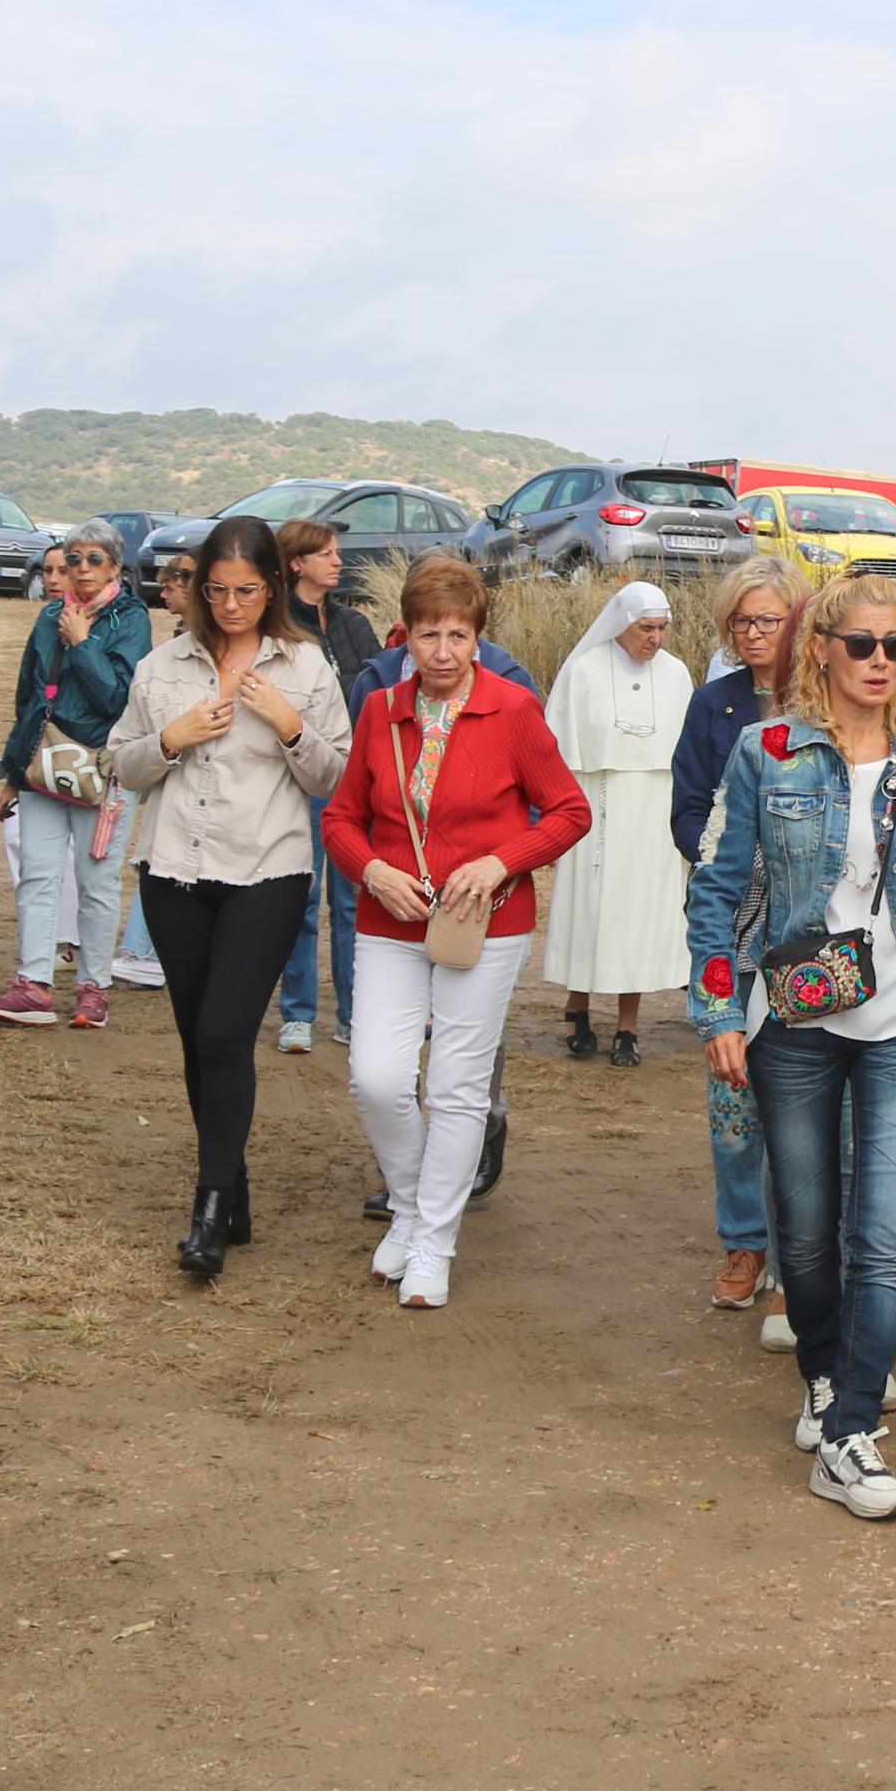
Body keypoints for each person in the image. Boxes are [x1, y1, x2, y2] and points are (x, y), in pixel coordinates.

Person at [686, 574, 896, 1520]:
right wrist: (718, 1015)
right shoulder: (765, 750)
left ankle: (853, 1431)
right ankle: (823, 1379)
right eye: (860, 644)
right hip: (796, 1016)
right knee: (807, 1232)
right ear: (820, 646)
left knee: (884, 1235)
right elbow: (717, 890)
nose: (879, 662)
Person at [328, 555, 588, 1309]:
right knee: (376, 1075)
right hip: (390, 916)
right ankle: (410, 1207)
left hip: (486, 921)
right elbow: (341, 816)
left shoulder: (511, 710)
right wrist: (371, 870)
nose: (442, 651)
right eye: (428, 635)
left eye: (458, 635)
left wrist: (502, 861)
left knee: (457, 1085)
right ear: (403, 636)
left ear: (479, 637)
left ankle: (433, 1242)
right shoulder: (380, 710)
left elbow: (570, 810)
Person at [111, 519, 352, 1279]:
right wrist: (170, 739)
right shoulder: (160, 666)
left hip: (268, 870)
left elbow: (337, 776)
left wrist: (288, 727)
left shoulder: (308, 666)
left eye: (246, 590)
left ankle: (209, 1204)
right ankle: (234, 1183)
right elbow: (123, 766)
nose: (230, 604)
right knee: (197, 1039)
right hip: (174, 867)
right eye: (215, 590)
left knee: (223, 1032)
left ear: (273, 586)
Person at [678, 566, 801, 1319]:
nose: (755, 635)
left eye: (770, 620)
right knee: (732, 1094)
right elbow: (686, 806)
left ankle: (799, 1254)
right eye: (742, 624)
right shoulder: (713, 704)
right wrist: (732, 856)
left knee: (808, 1093)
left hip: (807, 930)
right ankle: (744, 1239)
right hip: (731, 921)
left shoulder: (824, 698)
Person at [0, 528, 148, 1029]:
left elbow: (117, 700)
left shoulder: (131, 620)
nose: (82, 567)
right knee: (37, 873)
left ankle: (94, 988)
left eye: (95, 559)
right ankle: (33, 983)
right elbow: (28, 699)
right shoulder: (50, 615)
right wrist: (13, 773)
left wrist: (83, 644)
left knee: (96, 880)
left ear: (116, 567)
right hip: (43, 765)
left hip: (102, 770)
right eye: (73, 558)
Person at [543, 579, 692, 1064]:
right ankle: (577, 1005)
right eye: (645, 628)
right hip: (597, 803)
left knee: (640, 913)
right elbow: (562, 751)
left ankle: (628, 1025)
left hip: (653, 809)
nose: (655, 638)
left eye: (662, 628)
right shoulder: (584, 670)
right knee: (590, 904)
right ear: (621, 625)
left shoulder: (676, 674)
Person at [274, 514, 379, 1052]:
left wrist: (328, 690)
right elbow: (292, 698)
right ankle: (297, 1013)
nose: (339, 561)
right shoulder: (277, 626)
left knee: (352, 898)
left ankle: (353, 1012)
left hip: (356, 775)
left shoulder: (354, 623)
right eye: (327, 554)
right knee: (302, 895)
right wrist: (340, 688)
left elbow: (377, 690)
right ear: (296, 562)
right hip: (301, 775)